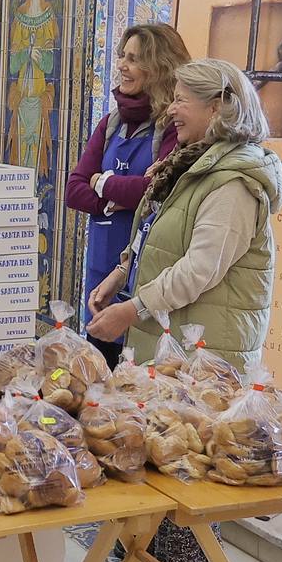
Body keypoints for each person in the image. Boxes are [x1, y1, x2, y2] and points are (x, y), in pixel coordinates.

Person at [85, 57, 282, 562]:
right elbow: (157, 233)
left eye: (181, 100)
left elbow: (201, 268)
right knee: (164, 443)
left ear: (218, 107)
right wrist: (120, 274)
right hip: (174, 334)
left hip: (207, 342)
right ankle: (150, 557)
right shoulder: (191, 163)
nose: (170, 109)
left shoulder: (235, 181)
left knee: (190, 459)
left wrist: (133, 309)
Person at [66, 23, 190, 367]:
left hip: (146, 280)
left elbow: (156, 189)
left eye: (133, 59)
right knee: (98, 380)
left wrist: (102, 183)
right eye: (122, 56)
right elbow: (73, 190)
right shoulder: (110, 124)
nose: (121, 65)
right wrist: (117, 199)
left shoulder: (174, 129)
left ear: (160, 67)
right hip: (101, 271)